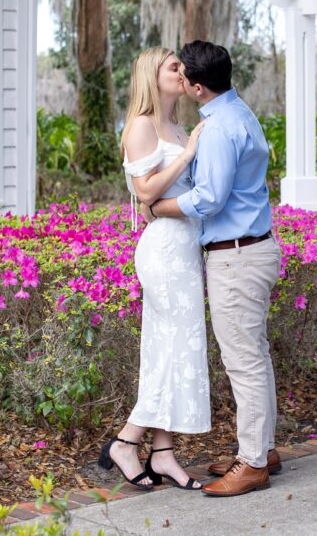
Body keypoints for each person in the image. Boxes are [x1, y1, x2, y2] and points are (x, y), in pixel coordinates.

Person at [143, 40, 282, 498]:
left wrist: (160, 207)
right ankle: (259, 448)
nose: (178, 78)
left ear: (197, 86)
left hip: (237, 255)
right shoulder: (237, 110)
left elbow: (209, 198)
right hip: (252, 247)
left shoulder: (219, 128)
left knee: (243, 360)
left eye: (183, 73)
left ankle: (254, 463)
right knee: (254, 355)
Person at [97, 47, 210, 491]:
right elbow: (146, 193)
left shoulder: (180, 126)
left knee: (175, 350)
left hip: (188, 249)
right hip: (163, 251)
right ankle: (126, 441)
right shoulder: (141, 126)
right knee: (171, 347)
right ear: (152, 74)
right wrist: (188, 155)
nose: (182, 72)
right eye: (173, 66)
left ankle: (162, 452)